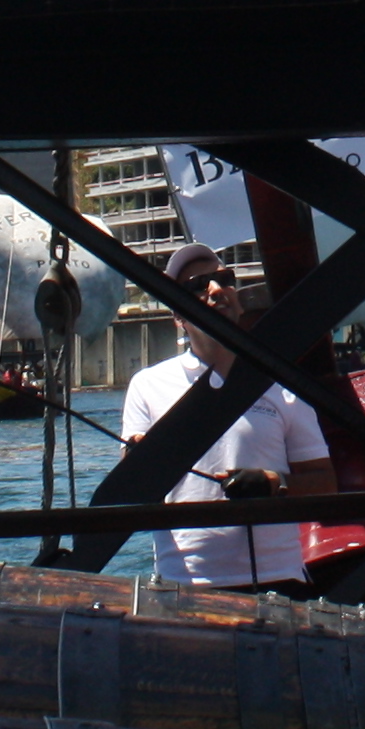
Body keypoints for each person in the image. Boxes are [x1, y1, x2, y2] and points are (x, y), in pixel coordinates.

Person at [120, 243, 330, 590]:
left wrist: (275, 483)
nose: (216, 289)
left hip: (278, 579)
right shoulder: (148, 385)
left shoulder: (283, 385)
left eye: (223, 279)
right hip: (184, 585)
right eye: (198, 286)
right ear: (178, 316)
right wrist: (140, 458)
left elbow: (325, 483)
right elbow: (132, 489)